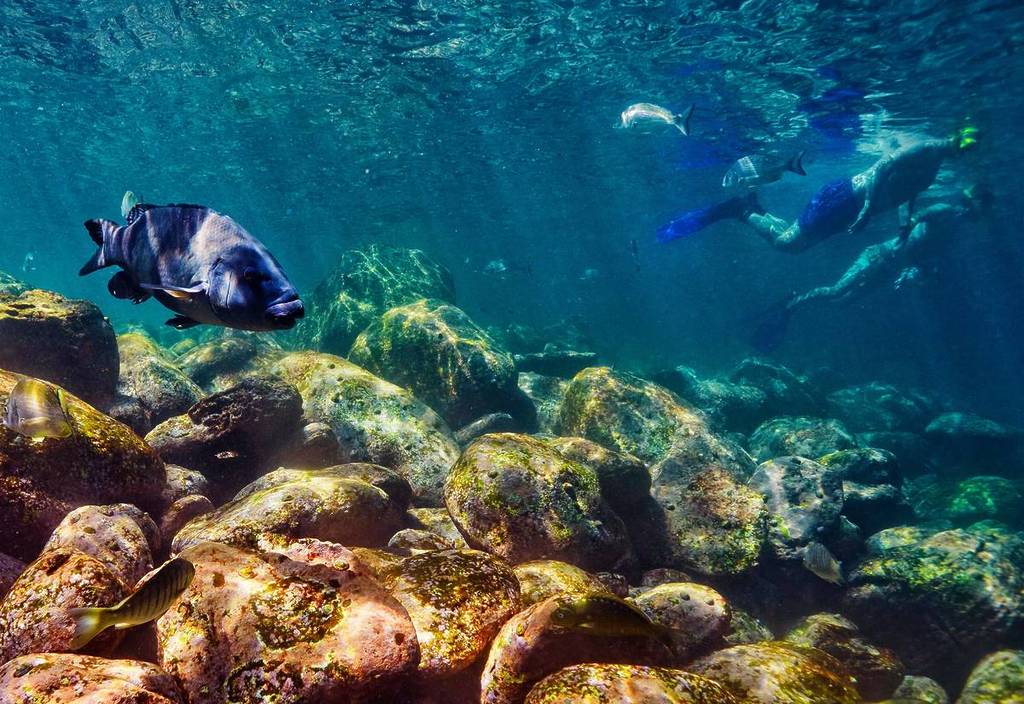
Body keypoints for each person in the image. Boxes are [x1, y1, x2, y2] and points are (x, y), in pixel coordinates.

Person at [658, 127, 978, 252]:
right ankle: (740, 209)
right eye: (968, 142)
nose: (967, 149)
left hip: (850, 208)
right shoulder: (925, 147)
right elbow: (883, 167)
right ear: (959, 135)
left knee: (793, 239)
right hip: (845, 200)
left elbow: (909, 192)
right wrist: (867, 209)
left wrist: (905, 223)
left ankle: (749, 207)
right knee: (789, 245)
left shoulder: (936, 162)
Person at [752, 185, 990, 349]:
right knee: (836, 291)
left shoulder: (954, 235)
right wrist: (905, 230)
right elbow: (910, 210)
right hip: (878, 256)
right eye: (983, 209)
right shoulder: (944, 212)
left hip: (890, 269)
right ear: (974, 203)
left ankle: (796, 300)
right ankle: (792, 305)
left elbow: (925, 255)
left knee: (842, 301)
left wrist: (912, 271)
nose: (982, 216)